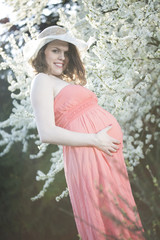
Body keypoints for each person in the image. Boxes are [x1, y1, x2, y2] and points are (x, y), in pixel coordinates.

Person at [23, 26, 145, 240]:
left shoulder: (62, 82)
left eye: (66, 52)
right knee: (106, 213)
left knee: (119, 211)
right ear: (42, 52)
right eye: (55, 50)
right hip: (89, 151)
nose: (62, 57)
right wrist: (95, 139)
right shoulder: (41, 80)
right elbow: (47, 132)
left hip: (102, 151)